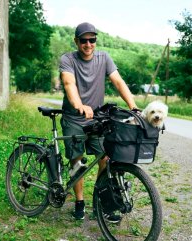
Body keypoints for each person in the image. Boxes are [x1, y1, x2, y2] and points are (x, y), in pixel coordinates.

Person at [59, 22, 139, 221]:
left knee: (104, 157)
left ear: (96, 40)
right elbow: (69, 84)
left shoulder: (104, 58)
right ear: (76, 41)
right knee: (77, 161)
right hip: (74, 118)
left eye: (92, 40)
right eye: (84, 40)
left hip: (96, 119)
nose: (88, 44)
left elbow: (119, 82)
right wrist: (80, 105)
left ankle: (100, 202)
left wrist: (133, 106)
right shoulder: (68, 59)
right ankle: (79, 201)